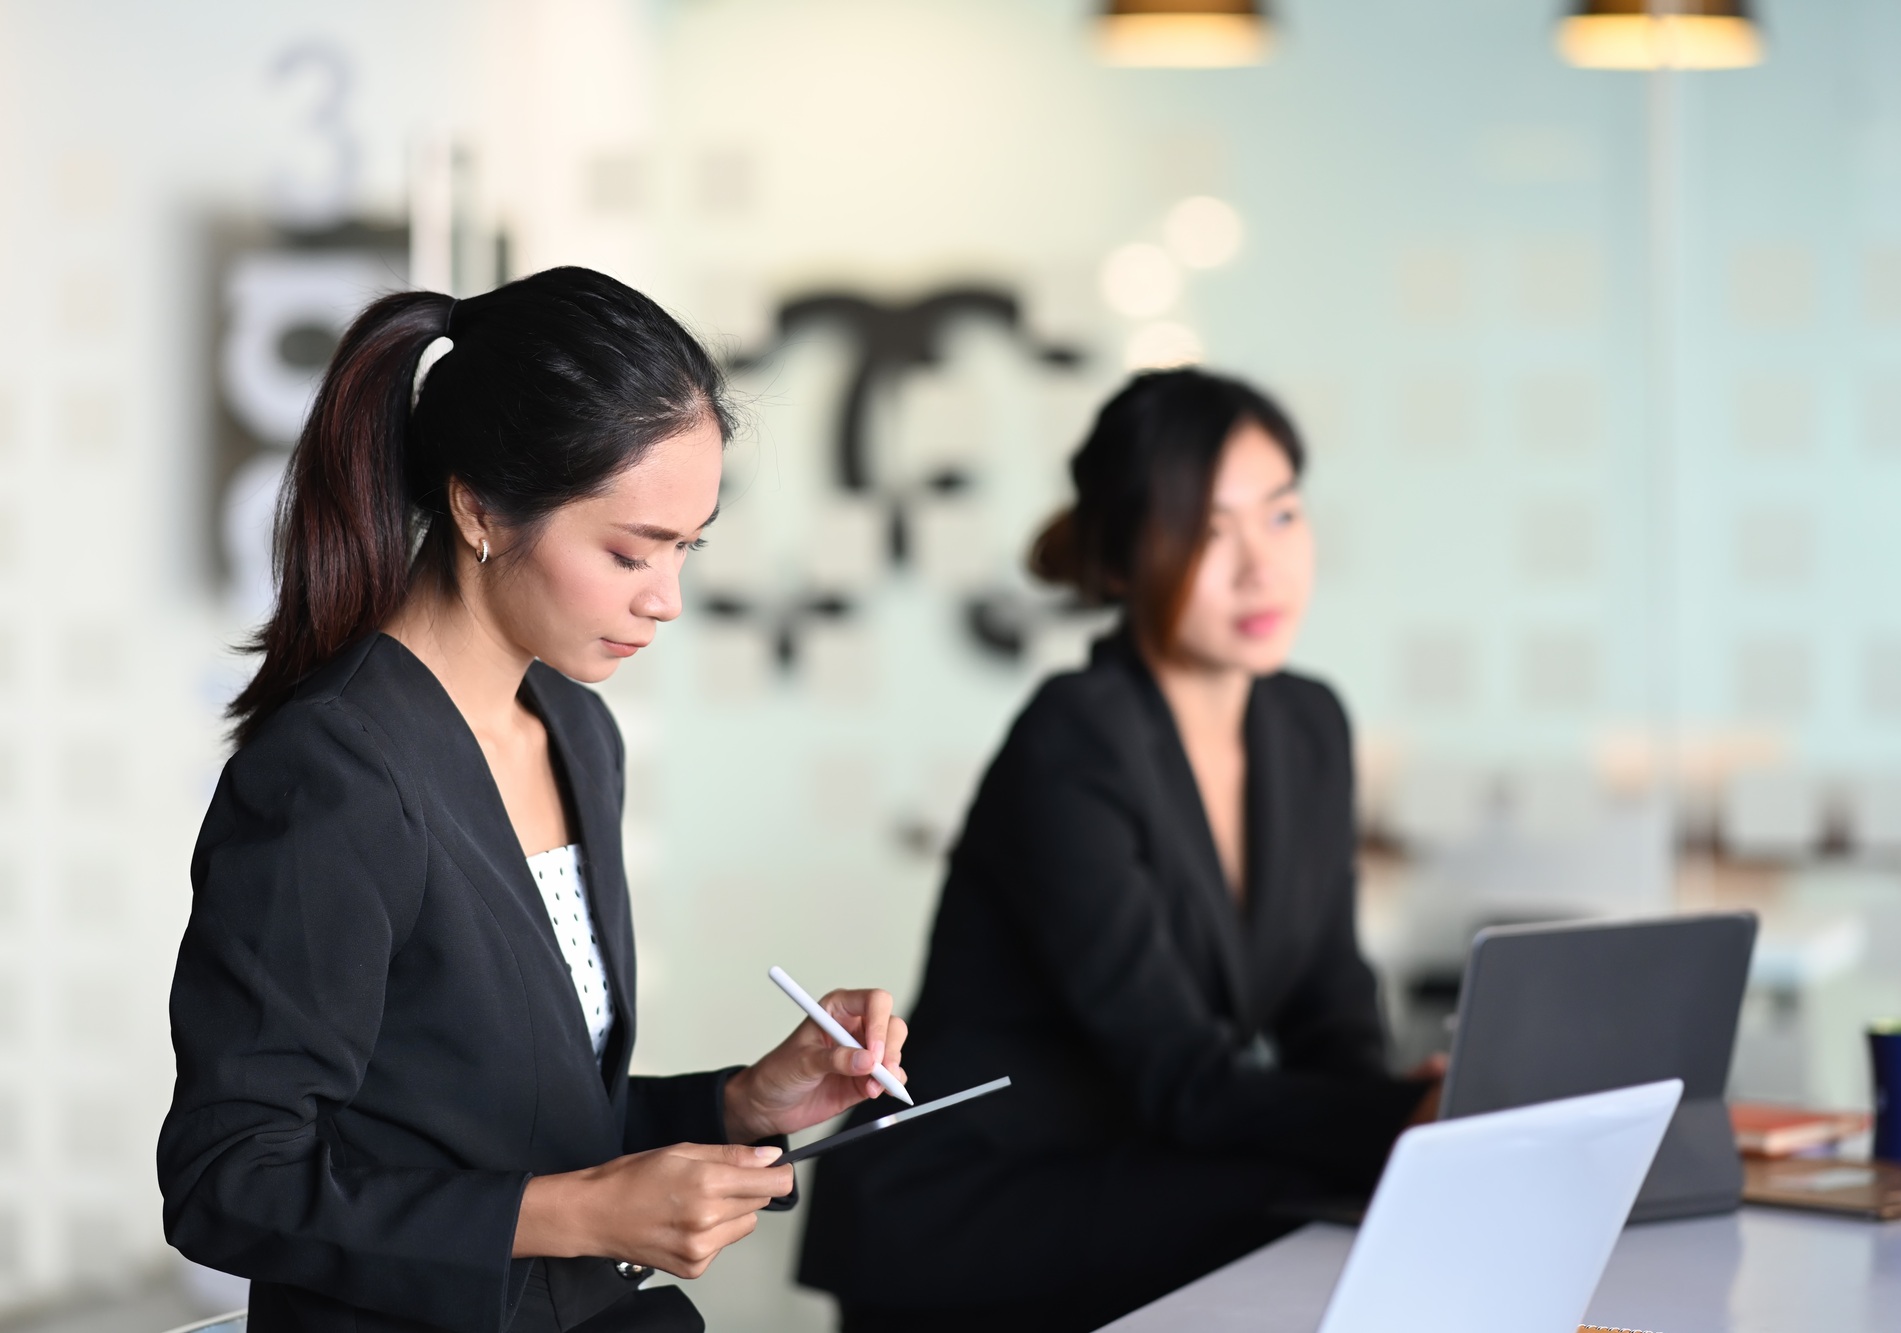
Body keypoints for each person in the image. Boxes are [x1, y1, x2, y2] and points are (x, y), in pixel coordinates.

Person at [157, 267, 909, 1333]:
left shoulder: (572, 730)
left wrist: (742, 1102)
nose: (667, 599)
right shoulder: (333, 774)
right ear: (476, 506)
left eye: (685, 549)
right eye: (628, 552)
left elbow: (512, 1116)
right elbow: (228, 1179)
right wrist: (577, 1214)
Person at [799, 368, 1441, 1332]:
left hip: (1145, 1179)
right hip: (980, 1208)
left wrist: (1418, 1107)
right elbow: (1179, 1075)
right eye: (1208, 530)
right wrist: (1396, 1120)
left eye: (1280, 516)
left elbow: (1330, 1018)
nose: (1258, 567)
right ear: (1124, 558)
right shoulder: (1076, 736)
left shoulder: (1308, 725)